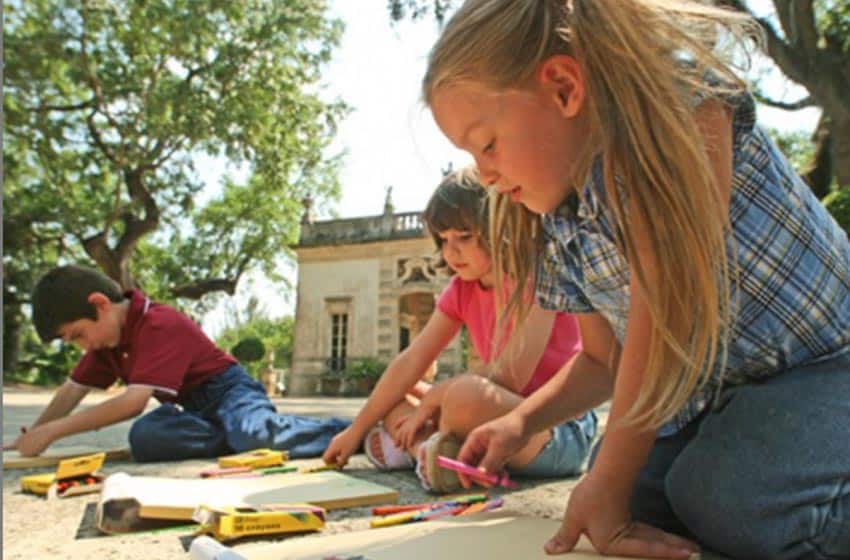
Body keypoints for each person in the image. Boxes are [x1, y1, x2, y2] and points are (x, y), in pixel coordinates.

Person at [423, 0, 850, 558]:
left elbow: (671, 316)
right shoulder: (559, 218)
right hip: (719, 398)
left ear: (562, 87)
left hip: (825, 365)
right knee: (639, 497)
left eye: (487, 144)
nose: (484, 174)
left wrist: (610, 480)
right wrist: (521, 422)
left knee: (725, 498)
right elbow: (603, 361)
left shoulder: (678, 109)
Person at [322, 169, 597, 493]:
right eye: (443, 240)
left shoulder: (539, 275)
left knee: (465, 397)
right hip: (493, 419)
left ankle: (423, 449)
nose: (451, 252)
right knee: (397, 396)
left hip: (552, 429)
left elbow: (510, 375)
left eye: (464, 237)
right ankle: (432, 453)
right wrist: (356, 429)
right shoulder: (461, 288)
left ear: (498, 227)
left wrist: (436, 399)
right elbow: (413, 359)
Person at [5, 265, 350, 462]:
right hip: (192, 411)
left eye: (78, 335)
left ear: (100, 304)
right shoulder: (107, 342)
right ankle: (234, 439)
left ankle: (351, 430)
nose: (84, 347)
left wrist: (53, 432)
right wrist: (35, 433)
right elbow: (71, 391)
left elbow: (131, 403)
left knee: (253, 433)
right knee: (146, 438)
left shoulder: (158, 323)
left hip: (230, 391)